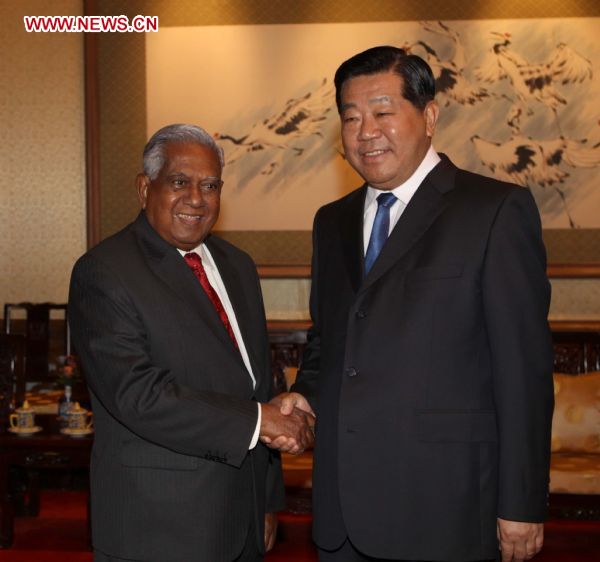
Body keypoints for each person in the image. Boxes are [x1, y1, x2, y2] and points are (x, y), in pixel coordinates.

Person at [272, 46, 554, 562]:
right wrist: (306, 395)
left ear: (428, 115)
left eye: (383, 112)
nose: (365, 131)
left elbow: (524, 372)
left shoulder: (493, 211)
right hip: (342, 514)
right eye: (350, 117)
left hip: (444, 510)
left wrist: (523, 501)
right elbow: (328, 342)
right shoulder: (330, 222)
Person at [68, 124, 314, 562]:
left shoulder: (237, 266)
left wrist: (266, 501)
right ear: (145, 188)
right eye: (180, 182)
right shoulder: (105, 271)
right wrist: (261, 422)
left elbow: (253, 388)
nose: (197, 199)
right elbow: (137, 395)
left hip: (243, 520)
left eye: (210, 185)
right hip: (159, 527)